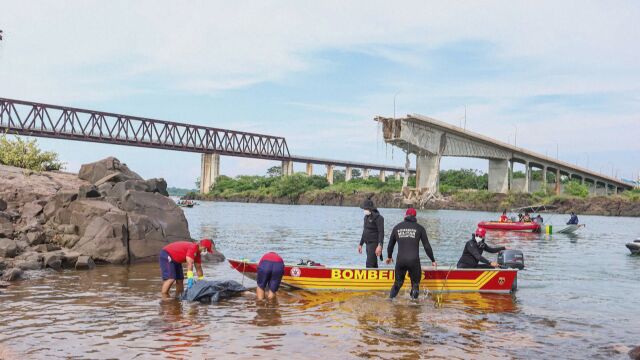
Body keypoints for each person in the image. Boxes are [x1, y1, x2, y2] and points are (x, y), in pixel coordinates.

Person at [385, 208, 436, 300]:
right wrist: (432, 260)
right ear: (415, 217)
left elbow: (390, 245)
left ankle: (390, 300)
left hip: (400, 260)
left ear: (405, 216)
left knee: (398, 283)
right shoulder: (420, 228)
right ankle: (413, 305)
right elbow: (427, 246)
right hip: (414, 261)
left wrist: (389, 256)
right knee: (415, 284)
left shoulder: (397, 227)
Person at [358, 197, 384, 268]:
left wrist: (380, 245)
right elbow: (365, 231)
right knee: (373, 264)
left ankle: (368, 278)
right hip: (367, 243)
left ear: (370, 209)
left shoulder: (379, 218)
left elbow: (381, 232)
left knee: (369, 264)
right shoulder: (366, 217)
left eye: (365, 209)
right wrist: (361, 244)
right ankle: (376, 278)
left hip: (374, 243)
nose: (364, 210)